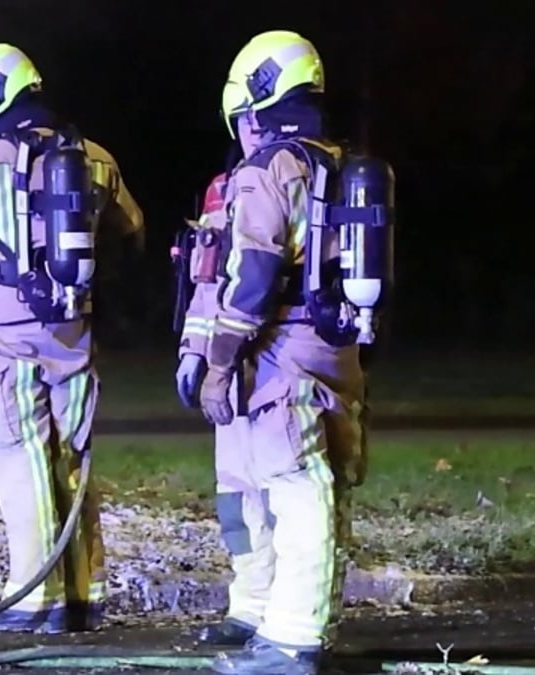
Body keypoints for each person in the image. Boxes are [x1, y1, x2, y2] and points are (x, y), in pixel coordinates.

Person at [0, 42, 144, 633]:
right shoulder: (94, 157)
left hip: (5, 337)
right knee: (71, 460)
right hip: (74, 331)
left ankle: (32, 599)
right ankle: (83, 595)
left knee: (21, 458)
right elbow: (132, 235)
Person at [174, 30, 371, 674]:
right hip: (323, 346)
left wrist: (220, 362)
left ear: (254, 101)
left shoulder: (266, 169)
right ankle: (254, 608)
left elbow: (252, 277)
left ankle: (292, 636)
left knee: (293, 484)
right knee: (246, 484)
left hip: (275, 351)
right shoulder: (335, 163)